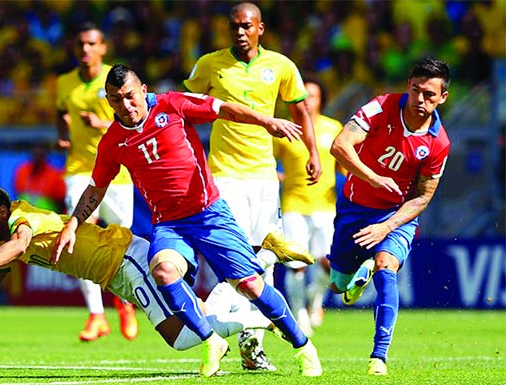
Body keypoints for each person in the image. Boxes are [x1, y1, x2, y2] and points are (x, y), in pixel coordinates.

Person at [53, 64, 321, 377]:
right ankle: (212, 343)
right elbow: (96, 188)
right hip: (169, 225)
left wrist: (267, 121)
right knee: (164, 272)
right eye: (115, 100)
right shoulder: (112, 141)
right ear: (109, 101)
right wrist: (72, 224)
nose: (125, 106)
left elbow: (225, 110)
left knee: (249, 285)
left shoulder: (172, 105)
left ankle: (303, 346)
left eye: (129, 96)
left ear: (143, 89)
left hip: (209, 214)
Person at [0, 183, 278, 354]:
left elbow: (20, 245)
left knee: (183, 338)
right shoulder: (4, 244)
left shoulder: (22, 217)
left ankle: (261, 313)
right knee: (193, 324)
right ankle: (257, 268)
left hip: (124, 258)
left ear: (2, 211)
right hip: (117, 273)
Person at [182, 2, 322, 371]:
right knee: (236, 260)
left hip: (264, 178)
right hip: (224, 177)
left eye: (246, 26)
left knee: (266, 261)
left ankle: (251, 346)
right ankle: (215, 321)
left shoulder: (281, 66)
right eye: (234, 27)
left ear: (261, 28)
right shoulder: (210, 64)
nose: (240, 32)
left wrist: (313, 153)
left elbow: (300, 112)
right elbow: (184, 109)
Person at [328, 57, 451, 376]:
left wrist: (387, 226)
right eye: (416, 90)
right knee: (337, 285)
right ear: (408, 86)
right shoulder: (381, 107)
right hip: (354, 207)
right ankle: (354, 276)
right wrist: (371, 177)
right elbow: (340, 145)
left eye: (429, 95)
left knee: (386, 267)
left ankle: (378, 357)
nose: (421, 100)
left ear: (443, 98)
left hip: (396, 215)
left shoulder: (438, 143)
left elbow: (423, 196)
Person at [55, 21, 137, 342]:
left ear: (103, 47)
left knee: (121, 242)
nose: (85, 50)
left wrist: (101, 122)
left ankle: (125, 304)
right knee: (81, 237)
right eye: (81, 44)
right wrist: (63, 133)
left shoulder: (115, 82)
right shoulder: (64, 83)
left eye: (92, 44)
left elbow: (131, 119)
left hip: (117, 172)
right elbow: (61, 111)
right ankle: (96, 314)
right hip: (79, 170)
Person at [274, 77, 345, 336]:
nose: (307, 101)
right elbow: (266, 162)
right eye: (302, 96)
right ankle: (299, 313)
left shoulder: (333, 127)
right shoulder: (286, 131)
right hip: (293, 204)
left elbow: (343, 164)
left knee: (328, 264)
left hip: (326, 207)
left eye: (312, 96)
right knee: (297, 264)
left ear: (321, 100)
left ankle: (316, 299)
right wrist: (277, 176)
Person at [13, 142, 65, 213]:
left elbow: (61, 201)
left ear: (45, 155)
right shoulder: (22, 171)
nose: (37, 157)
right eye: (35, 154)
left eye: (40, 154)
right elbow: (18, 192)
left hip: (47, 216)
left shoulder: (55, 174)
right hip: (24, 214)